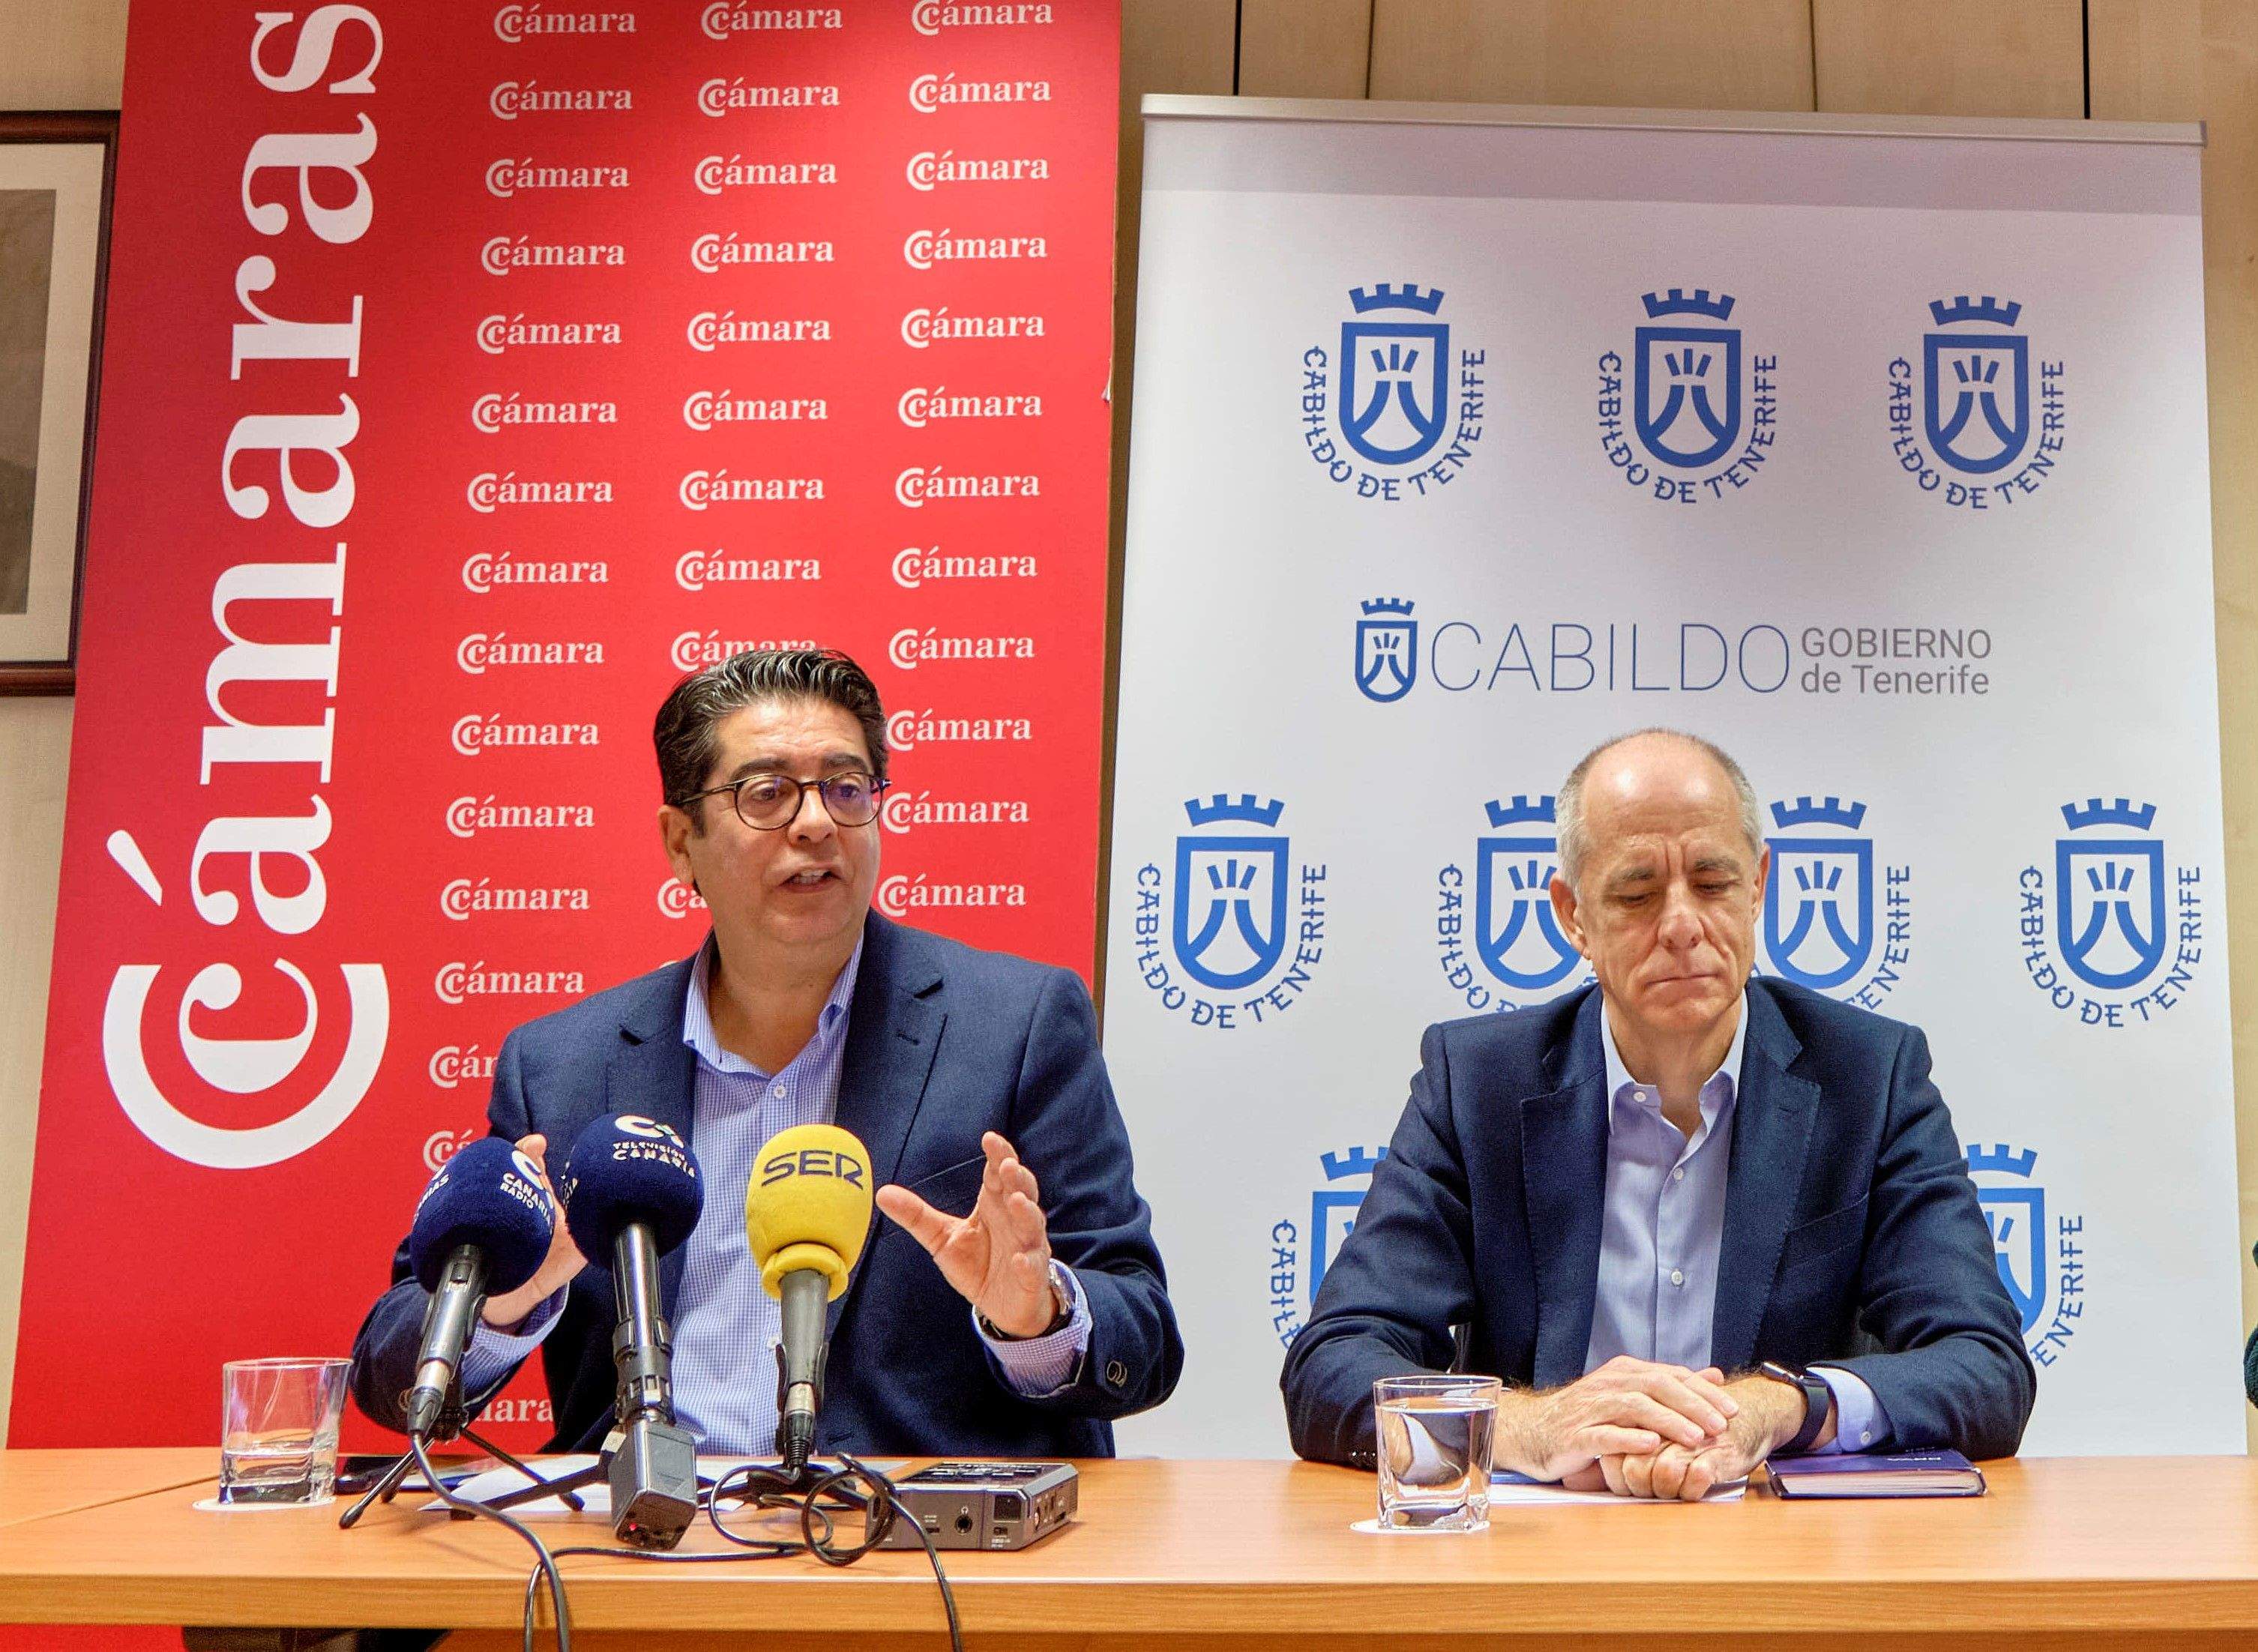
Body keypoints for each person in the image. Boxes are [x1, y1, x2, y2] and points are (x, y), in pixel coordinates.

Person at [352, 648, 1182, 1459]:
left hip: (912, 1557)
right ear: (682, 841)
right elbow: (390, 1369)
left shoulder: (1018, 1025)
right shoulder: (560, 1066)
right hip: (638, 1550)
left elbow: (1141, 1333)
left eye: (846, 787)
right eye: (769, 792)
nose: (817, 821)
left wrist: (1035, 1316)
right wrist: (499, 1308)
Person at [1281, 729, 2033, 1498]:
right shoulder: (1477, 1084)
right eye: (1637, 894)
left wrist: (1779, 1408)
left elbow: (1986, 1364)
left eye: (1712, 883)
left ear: (1758, 886)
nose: (1680, 924)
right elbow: (1331, 1366)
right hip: (1533, 1567)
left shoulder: (1869, 1077)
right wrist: (1530, 1427)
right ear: (1573, 915)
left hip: (1787, 1566)